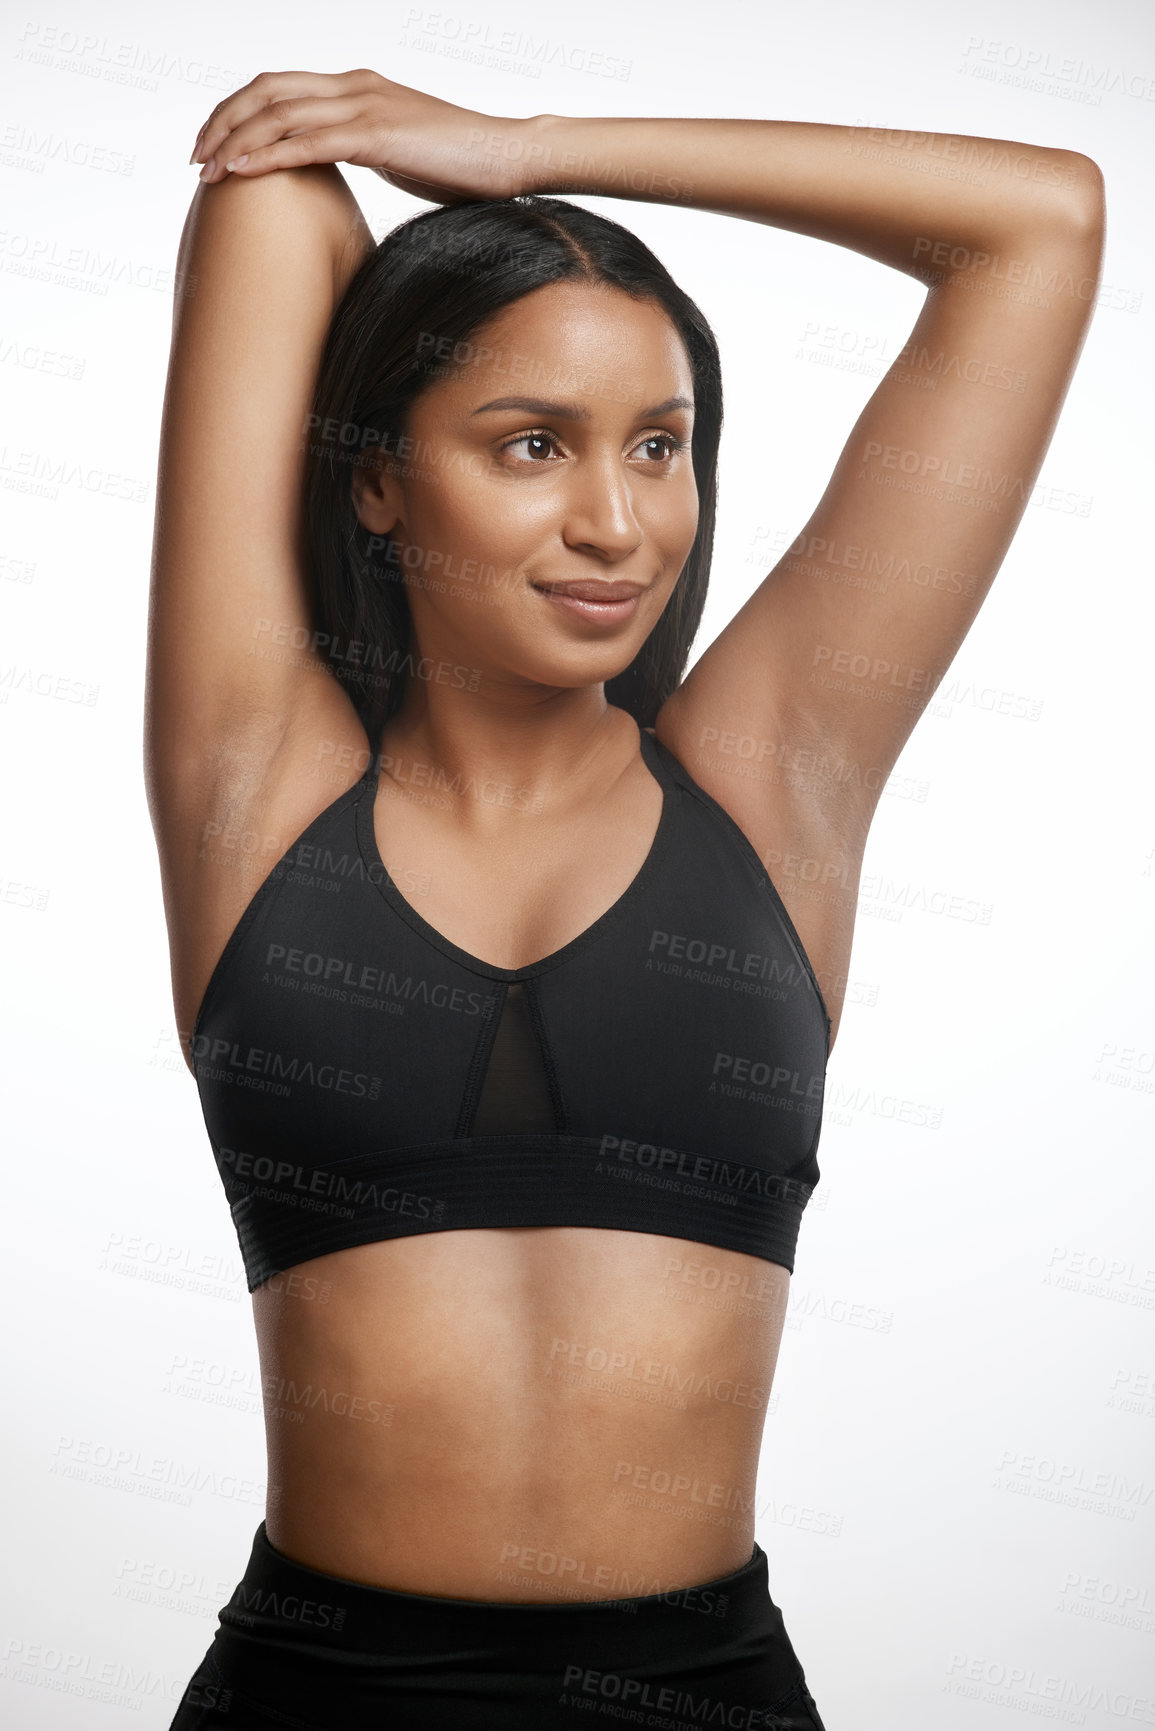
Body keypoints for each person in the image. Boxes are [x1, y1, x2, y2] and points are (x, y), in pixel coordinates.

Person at [150, 68, 1104, 1729]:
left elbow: (1040, 223)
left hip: (704, 1694)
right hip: (317, 1693)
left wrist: (527, 152)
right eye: (532, 446)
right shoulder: (259, 788)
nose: (617, 523)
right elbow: (271, 190)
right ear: (377, 479)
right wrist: (478, 211)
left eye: (659, 448)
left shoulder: (769, 778)